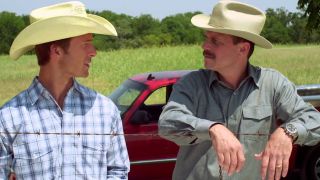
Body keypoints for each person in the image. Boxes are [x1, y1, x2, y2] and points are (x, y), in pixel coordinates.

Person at [158, 1, 320, 180]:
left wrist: (288, 132)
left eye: (215, 41)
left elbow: (315, 120)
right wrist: (213, 128)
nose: (205, 46)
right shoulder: (192, 83)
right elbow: (167, 122)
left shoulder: (272, 83)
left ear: (243, 49)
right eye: (206, 38)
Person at [0, 1, 130, 179]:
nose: (93, 52)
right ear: (57, 50)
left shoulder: (105, 111)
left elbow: (118, 172)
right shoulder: (8, 118)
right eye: (86, 43)